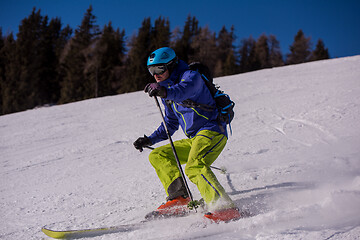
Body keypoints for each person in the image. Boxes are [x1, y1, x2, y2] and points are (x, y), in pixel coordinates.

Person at [133, 47, 241, 222]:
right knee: (158, 155)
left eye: (159, 69)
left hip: (212, 131)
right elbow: (170, 123)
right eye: (151, 70)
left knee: (194, 166)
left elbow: (183, 91)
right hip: (195, 139)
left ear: (172, 65)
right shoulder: (167, 90)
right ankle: (179, 198)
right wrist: (149, 139)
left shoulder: (191, 77)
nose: (156, 75)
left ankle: (224, 207)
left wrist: (164, 92)